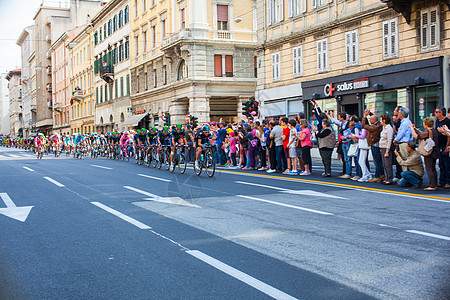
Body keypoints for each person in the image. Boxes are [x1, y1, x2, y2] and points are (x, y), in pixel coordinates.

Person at [410, 117, 439, 191]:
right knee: (433, 168)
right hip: (434, 152)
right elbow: (422, 134)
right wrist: (416, 129)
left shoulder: (428, 132)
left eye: (423, 123)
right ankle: (434, 184)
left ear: (426, 124)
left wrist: (412, 129)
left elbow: (416, 136)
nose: (423, 125)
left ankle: (432, 185)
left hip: (429, 152)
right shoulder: (433, 131)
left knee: (429, 168)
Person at [361, 109, 384, 183]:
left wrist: (364, 116)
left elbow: (363, 125)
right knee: (379, 161)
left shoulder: (374, 127)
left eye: (370, 120)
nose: (369, 121)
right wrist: (370, 113)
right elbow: (374, 117)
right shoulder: (379, 124)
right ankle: (382, 174)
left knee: (376, 161)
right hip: (377, 143)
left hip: (374, 144)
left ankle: (377, 176)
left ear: (373, 121)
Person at [331, 112, 353, 179]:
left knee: (348, 158)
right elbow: (334, 121)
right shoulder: (342, 124)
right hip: (343, 142)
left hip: (348, 141)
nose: (338, 118)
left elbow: (351, 133)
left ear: (342, 118)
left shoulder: (348, 124)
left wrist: (345, 137)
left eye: (339, 117)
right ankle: (346, 172)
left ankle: (348, 172)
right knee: (345, 158)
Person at [351, 117, 372, 182]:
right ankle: (368, 174)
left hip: (364, 145)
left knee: (361, 161)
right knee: (361, 161)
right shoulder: (365, 128)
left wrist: (355, 136)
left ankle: (365, 175)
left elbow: (362, 136)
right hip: (363, 145)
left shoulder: (364, 128)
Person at [434, 106, 450, 188]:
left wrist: (447, 145)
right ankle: (442, 181)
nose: (435, 113)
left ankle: (448, 181)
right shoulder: (437, 121)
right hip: (439, 145)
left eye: (436, 112)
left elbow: (448, 136)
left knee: (447, 164)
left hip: (445, 145)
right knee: (441, 164)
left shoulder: (447, 121)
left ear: (441, 113)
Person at [379, 114, 394, 185]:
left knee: (388, 164)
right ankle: (387, 177)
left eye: (381, 119)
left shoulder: (389, 128)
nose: (380, 121)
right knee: (384, 164)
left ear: (384, 120)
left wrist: (387, 151)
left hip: (386, 148)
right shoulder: (384, 128)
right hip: (382, 147)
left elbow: (389, 140)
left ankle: (389, 178)